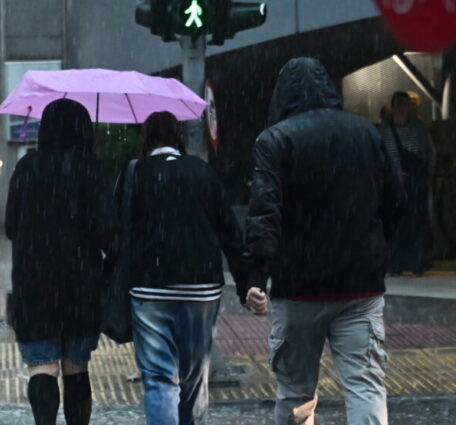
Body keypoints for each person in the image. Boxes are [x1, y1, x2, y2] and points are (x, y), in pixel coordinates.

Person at [243, 57, 403, 425]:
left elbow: (264, 211)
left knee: (296, 392)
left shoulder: (276, 139)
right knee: (365, 385)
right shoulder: (366, 133)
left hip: (298, 285)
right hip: (360, 286)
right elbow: (397, 199)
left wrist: (256, 276)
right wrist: (375, 247)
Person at [117, 111, 246, 425]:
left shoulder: (134, 173)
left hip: (150, 285)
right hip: (202, 286)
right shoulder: (202, 171)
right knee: (194, 377)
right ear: (180, 138)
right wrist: (247, 283)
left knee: (159, 378)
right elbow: (231, 232)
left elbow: (116, 232)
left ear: (145, 138)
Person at [5, 99, 115, 425]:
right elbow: (110, 233)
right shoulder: (92, 168)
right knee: (75, 366)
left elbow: (11, 227)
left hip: (34, 284)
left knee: (42, 366)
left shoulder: (26, 167)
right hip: (82, 284)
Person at [382, 91, 435, 276]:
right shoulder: (386, 129)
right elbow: (386, 155)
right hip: (396, 183)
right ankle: (397, 263)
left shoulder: (419, 128)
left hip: (416, 183)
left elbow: (428, 153)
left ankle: (416, 262)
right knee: (398, 224)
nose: (402, 108)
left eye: (405, 104)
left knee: (416, 223)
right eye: (399, 104)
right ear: (393, 107)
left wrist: (426, 177)